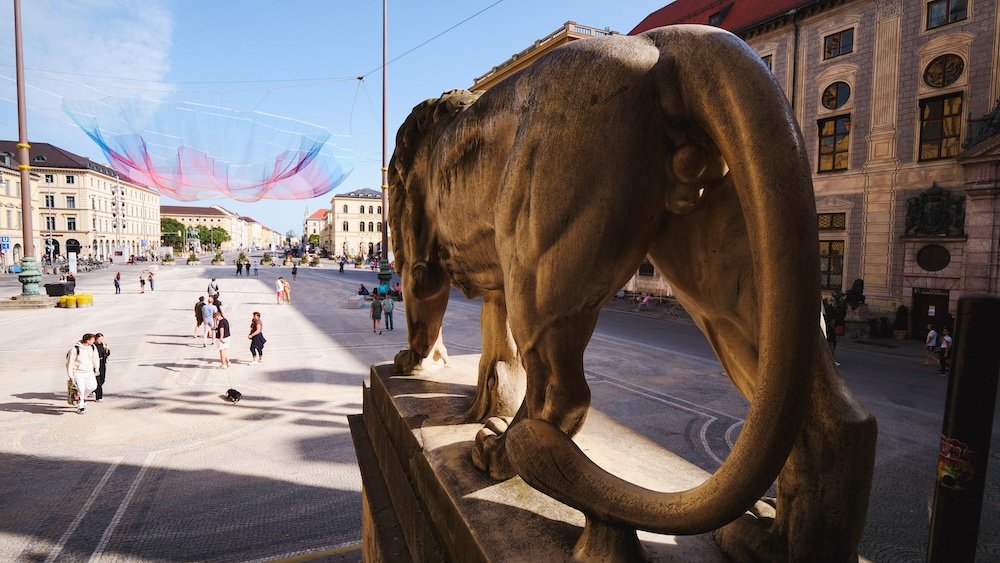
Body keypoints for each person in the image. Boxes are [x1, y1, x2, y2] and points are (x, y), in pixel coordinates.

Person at [66, 334, 99, 414]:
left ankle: (82, 398)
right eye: (92, 340)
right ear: (87, 341)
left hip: (89, 371)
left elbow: (95, 358)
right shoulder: (75, 350)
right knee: (81, 389)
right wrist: (71, 376)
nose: (94, 341)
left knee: (93, 386)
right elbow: (70, 363)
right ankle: (81, 406)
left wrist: (97, 368)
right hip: (78, 372)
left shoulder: (92, 347)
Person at [94, 333, 110, 401]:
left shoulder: (103, 345)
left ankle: (94, 389)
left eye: (102, 339)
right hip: (95, 363)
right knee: (98, 381)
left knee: (102, 379)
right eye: (99, 339)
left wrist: (107, 350)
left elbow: (108, 353)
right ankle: (99, 397)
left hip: (102, 363)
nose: (101, 340)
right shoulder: (93, 346)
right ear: (95, 339)